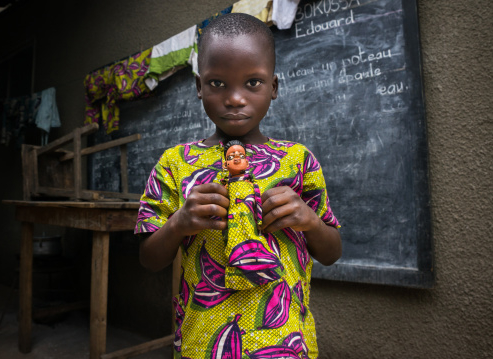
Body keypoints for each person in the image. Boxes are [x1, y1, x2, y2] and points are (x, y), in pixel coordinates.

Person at [135, 12, 341, 359]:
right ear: (199, 86)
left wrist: (308, 219)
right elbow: (148, 259)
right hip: (205, 343)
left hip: (285, 341)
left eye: (253, 83)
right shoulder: (175, 164)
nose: (234, 98)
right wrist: (179, 223)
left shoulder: (298, 161)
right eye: (217, 84)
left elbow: (331, 253)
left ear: (273, 87)